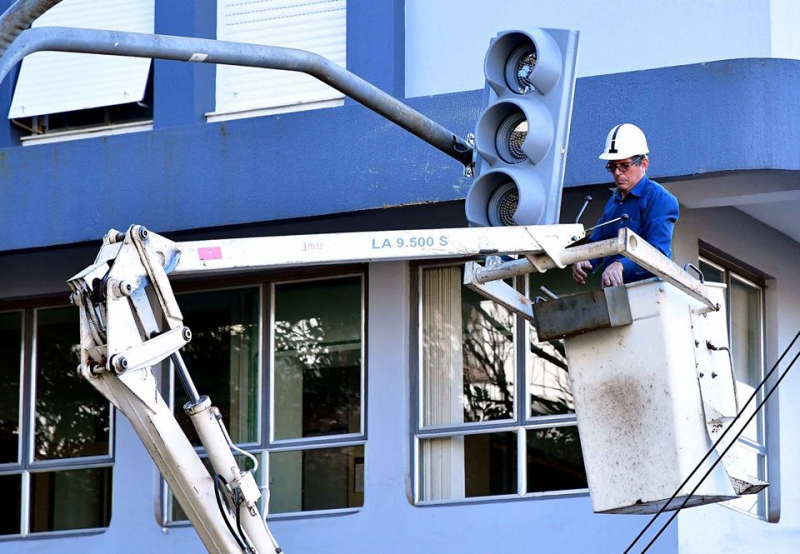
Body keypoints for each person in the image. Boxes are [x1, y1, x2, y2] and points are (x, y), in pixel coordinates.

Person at [572, 123, 679, 288]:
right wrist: (585, 259)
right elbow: (599, 241)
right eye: (612, 166)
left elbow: (659, 254)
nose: (617, 172)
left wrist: (621, 265)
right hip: (617, 292)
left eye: (624, 165)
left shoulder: (659, 199)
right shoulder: (613, 202)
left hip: (651, 291)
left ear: (644, 164)